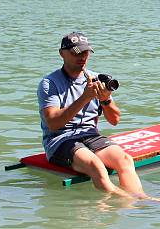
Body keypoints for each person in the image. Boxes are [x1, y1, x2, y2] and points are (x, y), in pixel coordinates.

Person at [37, 32, 153, 199]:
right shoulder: (49, 83)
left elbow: (115, 120)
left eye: (85, 52)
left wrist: (105, 99)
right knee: (96, 165)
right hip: (60, 139)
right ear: (62, 53)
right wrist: (85, 97)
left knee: (125, 160)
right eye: (76, 52)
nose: (82, 57)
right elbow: (53, 124)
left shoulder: (94, 78)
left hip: (90, 135)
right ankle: (131, 200)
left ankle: (140, 197)